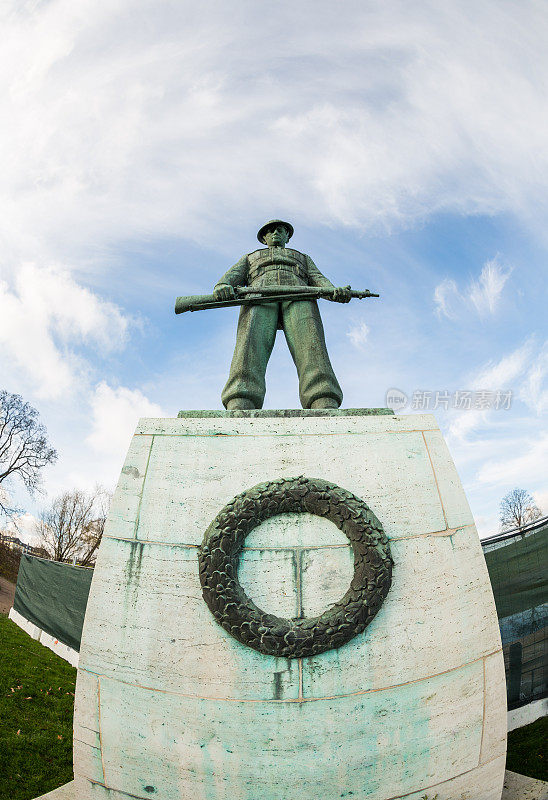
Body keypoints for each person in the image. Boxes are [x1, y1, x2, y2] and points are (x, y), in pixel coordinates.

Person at [214, 219, 350, 410]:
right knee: (249, 345)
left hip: (299, 295)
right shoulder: (250, 257)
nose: (275, 233)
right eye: (270, 231)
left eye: (280, 230)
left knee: (311, 345)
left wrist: (334, 291)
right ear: (264, 238)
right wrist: (222, 287)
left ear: (288, 235)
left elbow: (319, 279)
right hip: (258, 295)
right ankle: (240, 396)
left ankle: (323, 395)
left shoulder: (302, 257)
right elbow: (228, 279)